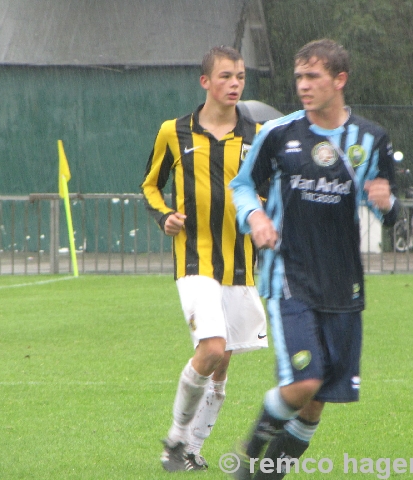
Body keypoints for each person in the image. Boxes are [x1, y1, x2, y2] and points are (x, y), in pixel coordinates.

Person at [229, 39, 400, 479]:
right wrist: (255, 217)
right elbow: (242, 185)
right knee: (302, 383)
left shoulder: (370, 140)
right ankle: (250, 452)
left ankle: (268, 474)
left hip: (343, 282)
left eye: (313, 77)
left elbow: (391, 211)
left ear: (339, 80)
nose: (303, 86)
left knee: (316, 401)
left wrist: (387, 203)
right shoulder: (279, 133)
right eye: (299, 77)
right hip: (290, 274)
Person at [141, 45, 268, 472]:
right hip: (195, 260)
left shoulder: (258, 134)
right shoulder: (172, 132)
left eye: (241, 77)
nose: (235, 84)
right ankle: (175, 438)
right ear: (206, 82)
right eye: (227, 76)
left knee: (224, 359)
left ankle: (193, 447)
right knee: (211, 347)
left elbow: (266, 188)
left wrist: (264, 215)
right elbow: (150, 185)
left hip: (240, 262)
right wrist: (164, 218)